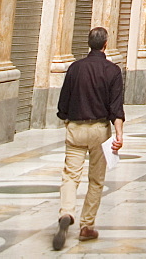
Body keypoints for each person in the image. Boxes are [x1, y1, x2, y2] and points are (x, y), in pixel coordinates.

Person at [53, 27, 124, 250]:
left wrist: (66, 118)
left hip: (75, 127)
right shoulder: (112, 71)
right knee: (95, 179)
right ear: (105, 45)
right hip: (99, 130)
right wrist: (119, 133)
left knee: (70, 175)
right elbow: (116, 108)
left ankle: (66, 212)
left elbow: (63, 102)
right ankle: (86, 226)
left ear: (89, 44)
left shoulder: (75, 68)